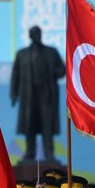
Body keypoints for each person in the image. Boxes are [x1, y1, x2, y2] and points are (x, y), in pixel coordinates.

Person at [10, 26, 66, 161]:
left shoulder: (51, 52)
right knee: (30, 125)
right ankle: (30, 152)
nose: (37, 36)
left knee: (47, 125)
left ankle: (49, 153)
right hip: (29, 96)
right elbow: (15, 75)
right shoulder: (22, 54)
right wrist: (14, 93)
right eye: (34, 34)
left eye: (38, 33)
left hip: (46, 96)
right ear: (30, 36)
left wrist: (53, 72)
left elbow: (62, 69)